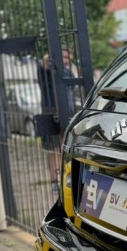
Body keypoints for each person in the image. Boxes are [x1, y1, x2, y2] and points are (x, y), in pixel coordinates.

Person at [37, 48, 76, 193]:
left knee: (65, 147)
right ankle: (55, 181)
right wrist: (51, 58)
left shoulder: (67, 72)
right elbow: (44, 63)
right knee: (52, 149)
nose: (66, 60)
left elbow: (74, 85)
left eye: (68, 57)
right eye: (63, 56)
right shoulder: (46, 69)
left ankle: (67, 177)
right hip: (50, 112)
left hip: (68, 112)